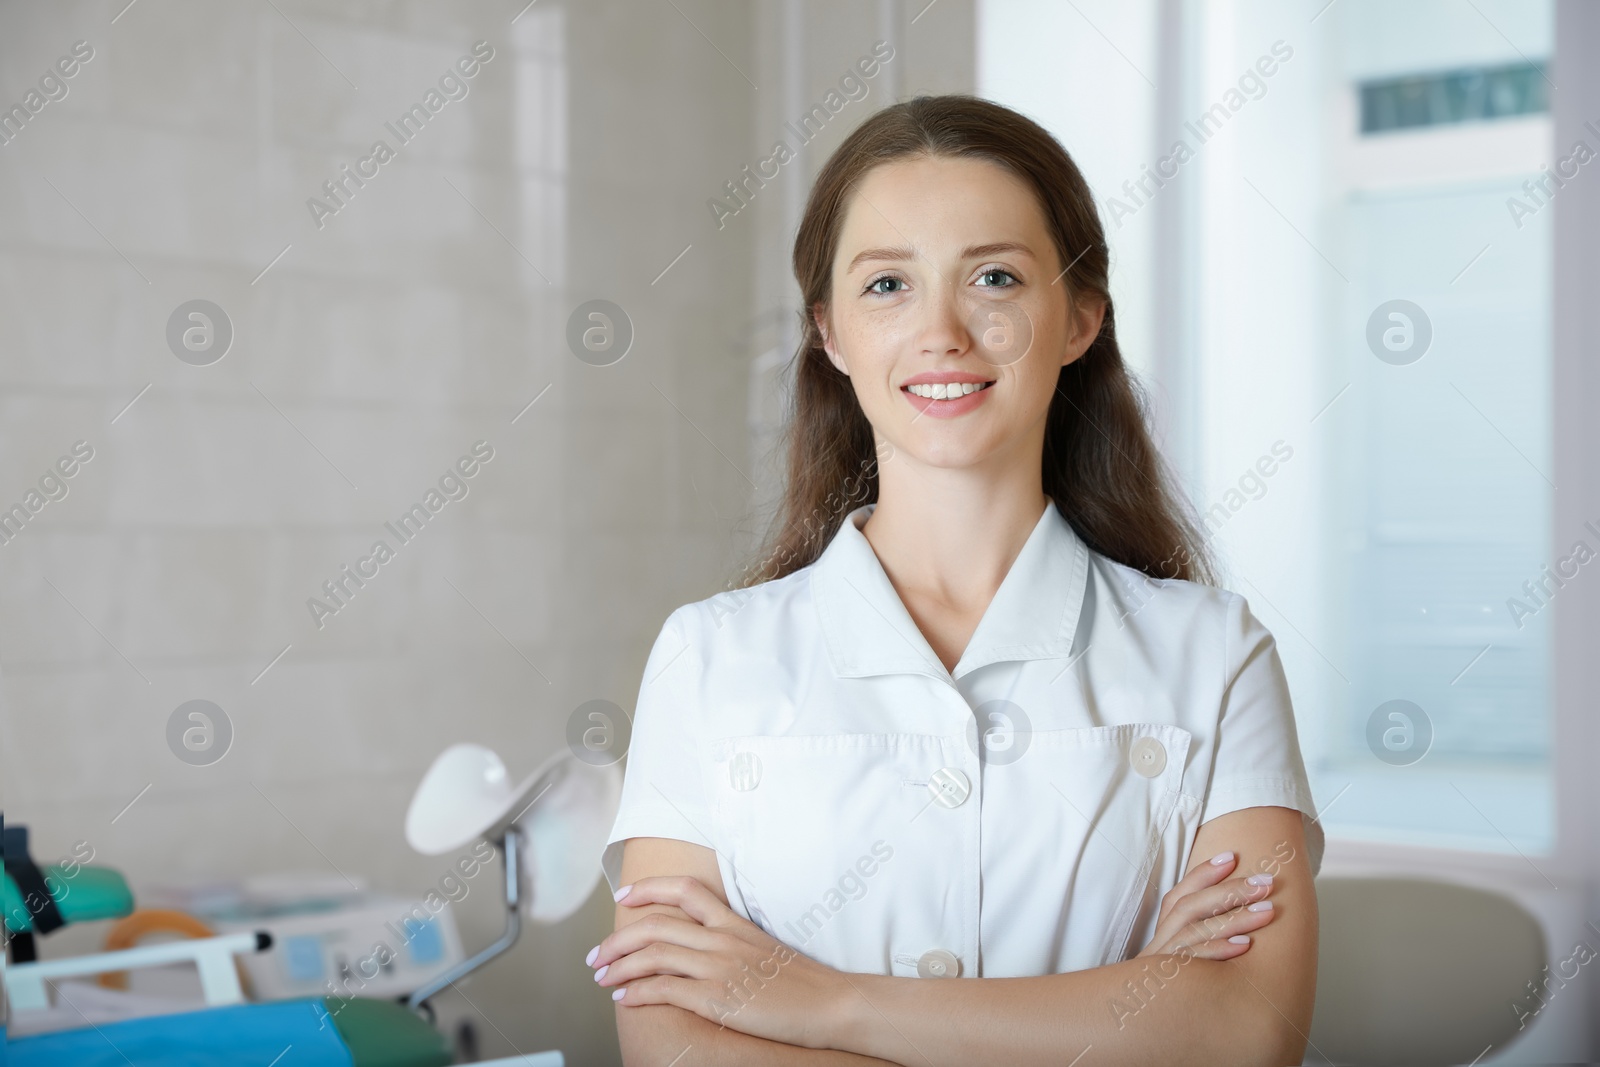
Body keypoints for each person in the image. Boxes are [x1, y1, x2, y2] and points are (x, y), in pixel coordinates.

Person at [587, 94, 1322, 1066]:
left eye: (993, 276)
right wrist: (1128, 1013)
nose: (940, 331)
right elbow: (671, 1046)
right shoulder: (709, 655)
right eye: (887, 284)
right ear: (831, 334)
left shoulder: (1214, 653)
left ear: (1078, 319)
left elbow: (1242, 1030)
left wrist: (820, 1001)